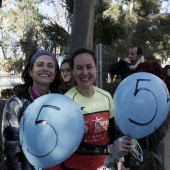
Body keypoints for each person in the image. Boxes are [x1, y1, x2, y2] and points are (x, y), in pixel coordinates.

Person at [63, 48, 133, 170]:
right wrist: (107, 149)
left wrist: (119, 158)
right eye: (79, 68)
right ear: (73, 72)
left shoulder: (106, 96)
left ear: (96, 68)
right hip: (74, 166)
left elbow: (111, 134)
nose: (85, 72)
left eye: (89, 67)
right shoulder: (66, 101)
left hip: (104, 165)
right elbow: (67, 144)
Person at [1, 50, 62, 170]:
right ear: (30, 72)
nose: (45, 69)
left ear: (54, 74)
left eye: (50, 66)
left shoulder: (61, 101)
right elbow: (11, 148)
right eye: (40, 65)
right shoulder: (15, 104)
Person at [113, 61, 170, 170]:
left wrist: (136, 136)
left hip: (152, 154)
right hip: (128, 151)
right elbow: (119, 122)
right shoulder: (130, 96)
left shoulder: (161, 98)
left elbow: (161, 131)